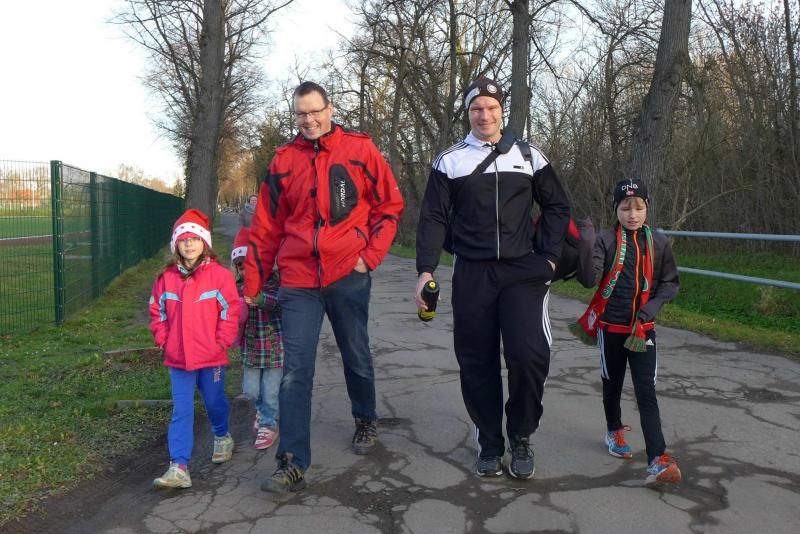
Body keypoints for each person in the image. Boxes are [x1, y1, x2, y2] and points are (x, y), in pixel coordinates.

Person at [244, 81, 404, 493]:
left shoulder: (360, 149)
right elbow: (265, 227)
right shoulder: (283, 160)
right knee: (295, 371)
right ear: (294, 116)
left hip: (348, 273)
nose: (309, 120)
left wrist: (369, 257)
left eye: (315, 111)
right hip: (298, 280)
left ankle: (365, 418)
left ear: (330, 109)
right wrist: (252, 284)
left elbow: (389, 206)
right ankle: (291, 462)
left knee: (356, 354)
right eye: (301, 113)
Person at [415, 76, 571, 480]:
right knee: (477, 360)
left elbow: (558, 206)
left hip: (523, 271)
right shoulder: (450, 161)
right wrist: (425, 270)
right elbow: (432, 218)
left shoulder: (529, 155)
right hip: (473, 272)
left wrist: (550, 257)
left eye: (491, 108)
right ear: (467, 114)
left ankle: (520, 435)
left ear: (502, 111)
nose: (484, 115)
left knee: (528, 355)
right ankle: (489, 441)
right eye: (476, 109)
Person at [573, 178, 682, 487]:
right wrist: (586, 244)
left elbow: (670, 283)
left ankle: (657, 460)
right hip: (611, 328)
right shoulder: (605, 240)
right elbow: (588, 279)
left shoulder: (659, 242)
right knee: (613, 384)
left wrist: (650, 310)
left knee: (646, 391)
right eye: (625, 208)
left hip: (643, 330)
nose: (632, 215)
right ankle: (614, 431)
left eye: (638, 208)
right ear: (616, 209)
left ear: (647, 208)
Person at [148, 209, 240, 489]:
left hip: (211, 357)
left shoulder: (220, 276)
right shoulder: (165, 278)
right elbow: (157, 312)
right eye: (184, 239)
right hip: (178, 358)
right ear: (176, 244)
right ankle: (179, 466)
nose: (189, 244)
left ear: (204, 243)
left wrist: (221, 342)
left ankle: (222, 435)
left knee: (213, 401)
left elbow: (230, 311)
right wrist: (164, 340)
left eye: (195, 239)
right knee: (182, 410)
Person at [231, 227, 283, 450]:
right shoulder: (236, 288)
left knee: (270, 391)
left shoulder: (274, 283)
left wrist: (261, 299)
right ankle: (262, 412)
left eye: (250, 265)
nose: (246, 271)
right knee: (251, 391)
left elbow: (281, 304)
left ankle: (269, 425)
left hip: (273, 348)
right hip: (250, 349)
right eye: (241, 267)